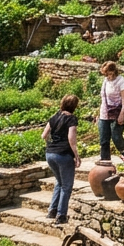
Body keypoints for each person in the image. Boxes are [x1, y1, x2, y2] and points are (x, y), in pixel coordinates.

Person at [42, 94, 81, 224]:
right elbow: (71, 139)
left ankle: (52, 211)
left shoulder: (54, 117)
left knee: (59, 182)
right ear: (74, 107)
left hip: (50, 154)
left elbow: (44, 135)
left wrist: (51, 144)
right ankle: (61, 215)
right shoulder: (71, 119)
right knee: (67, 186)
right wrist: (76, 155)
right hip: (63, 155)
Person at [98, 61, 124, 167]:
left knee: (116, 137)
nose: (107, 76)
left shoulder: (121, 81)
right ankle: (105, 163)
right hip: (105, 112)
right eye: (105, 74)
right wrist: (99, 113)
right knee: (104, 139)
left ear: (113, 71)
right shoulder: (105, 81)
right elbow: (103, 97)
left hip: (118, 112)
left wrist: (122, 113)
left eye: (108, 73)